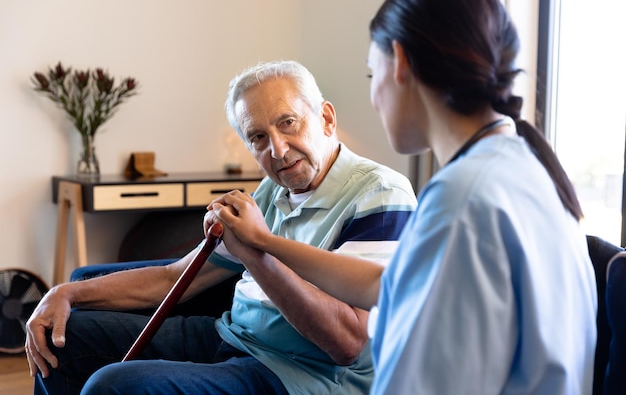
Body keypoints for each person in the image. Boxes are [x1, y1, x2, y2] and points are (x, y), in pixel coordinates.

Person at [206, 0, 598, 394]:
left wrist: (261, 247)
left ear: (400, 62)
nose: (374, 97)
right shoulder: (518, 170)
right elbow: (384, 285)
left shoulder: (463, 198)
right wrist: (265, 243)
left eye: (373, 74)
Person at [24, 60, 417, 395]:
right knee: (63, 336)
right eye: (258, 137)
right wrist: (65, 293)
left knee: (114, 385)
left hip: (298, 373)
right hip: (230, 336)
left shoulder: (380, 193)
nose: (277, 150)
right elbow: (174, 278)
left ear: (326, 118)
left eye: (289, 123)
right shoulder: (272, 189)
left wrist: (255, 251)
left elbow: (346, 343)